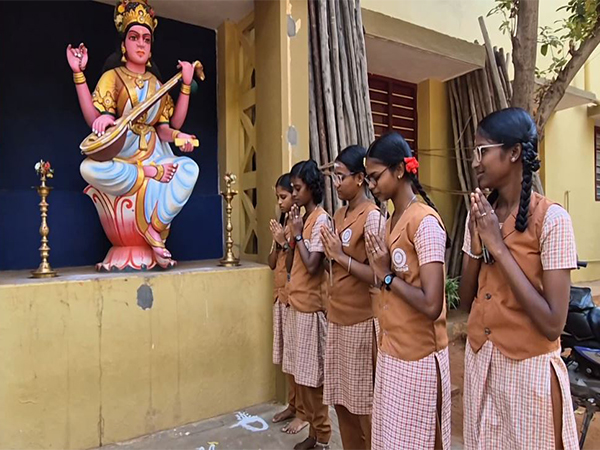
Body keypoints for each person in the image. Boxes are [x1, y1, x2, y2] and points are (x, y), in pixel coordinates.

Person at [459, 107, 579, 450]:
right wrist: (476, 241)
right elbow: (465, 302)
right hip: (482, 364)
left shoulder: (553, 220)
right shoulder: (482, 216)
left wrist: (497, 246)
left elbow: (554, 323)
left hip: (528, 374)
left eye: (483, 151)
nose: (475, 162)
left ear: (513, 153)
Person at [66, 0, 199, 268]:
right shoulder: (112, 77)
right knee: (88, 169)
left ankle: (155, 228)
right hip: (122, 156)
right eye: (134, 37)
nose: (140, 44)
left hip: (155, 155)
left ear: (151, 47)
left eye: (146, 39)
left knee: (189, 169)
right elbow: (94, 120)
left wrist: (185, 90)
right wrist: (79, 74)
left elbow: (166, 126)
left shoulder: (157, 84)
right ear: (124, 44)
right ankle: (145, 176)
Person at [365, 132, 451, 450]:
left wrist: (386, 276)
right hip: (392, 352)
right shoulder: (390, 221)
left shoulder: (424, 222)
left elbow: (432, 303)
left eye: (375, 177)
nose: (371, 185)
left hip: (418, 358)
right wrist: (382, 274)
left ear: (399, 170)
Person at [320, 145, 383, 450]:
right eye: (334, 175)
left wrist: (340, 257)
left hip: (360, 323)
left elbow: (378, 276)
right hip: (337, 319)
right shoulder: (339, 213)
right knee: (341, 400)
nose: (336, 182)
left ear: (360, 178)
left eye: (341, 176)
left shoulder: (372, 218)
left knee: (364, 407)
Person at [284, 160, 331, 450]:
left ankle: (322, 436)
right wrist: (290, 236)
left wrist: (299, 233)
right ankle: (314, 433)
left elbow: (313, 266)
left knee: (313, 380)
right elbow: (291, 264)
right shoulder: (302, 219)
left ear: (312, 188)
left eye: (298, 188)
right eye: (292, 188)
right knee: (302, 376)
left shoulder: (321, 220)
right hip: (296, 304)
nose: (295, 193)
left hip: (312, 309)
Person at [268, 173, 308, 434]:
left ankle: (305, 413)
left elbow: (298, 263)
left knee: (301, 360)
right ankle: (293, 405)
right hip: (280, 296)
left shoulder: (300, 224)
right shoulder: (283, 222)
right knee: (288, 357)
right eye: (278, 198)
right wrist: (277, 243)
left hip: (297, 297)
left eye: (283, 196)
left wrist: (285, 242)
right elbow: (272, 263)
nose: (280, 202)